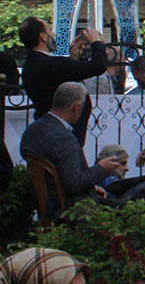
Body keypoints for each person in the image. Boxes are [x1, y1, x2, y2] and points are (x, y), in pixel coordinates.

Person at [20, 82, 130, 215]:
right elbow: (74, 183)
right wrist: (101, 168)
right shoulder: (64, 138)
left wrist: (92, 187)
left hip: (51, 203)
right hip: (72, 209)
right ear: (76, 107)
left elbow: (61, 175)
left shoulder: (32, 130)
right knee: (134, 209)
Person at [19, 17, 107, 144]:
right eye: (50, 30)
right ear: (43, 37)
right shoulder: (51, 64)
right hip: (64, 136)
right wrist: (96, 42)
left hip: (49, 130)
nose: (53, 34)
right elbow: (98, 66)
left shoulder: (31, 65)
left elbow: (61, 78)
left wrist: (73, 59)